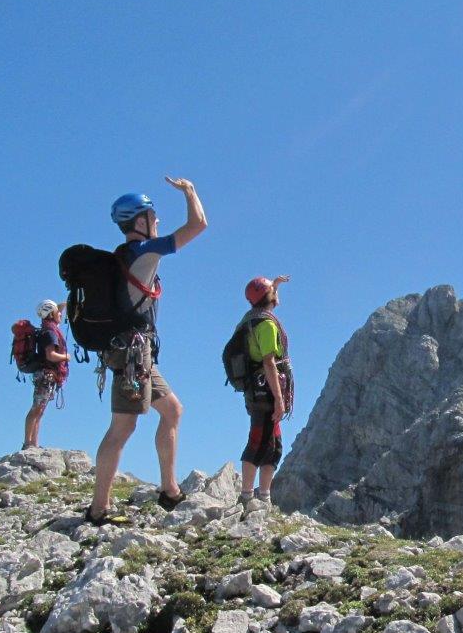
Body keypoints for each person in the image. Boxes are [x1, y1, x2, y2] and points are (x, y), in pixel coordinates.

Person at [86, 176, 208, 525]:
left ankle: (169, 490)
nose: (157, 221)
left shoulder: (122, 256)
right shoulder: (143, 251)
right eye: (153, 215)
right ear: (139, 221)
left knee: (172, 410)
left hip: (135, 354)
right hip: (132, 356)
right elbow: (198, 225)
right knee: (122, 428)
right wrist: (190, 191)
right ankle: (98, 508)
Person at [237, 274, 294, 511]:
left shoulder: (252, 318)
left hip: (256, 389)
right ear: (268, 297)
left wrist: (275, 285)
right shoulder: (267, 324)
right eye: (274, 291)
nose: (277, 294)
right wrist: (279, 400)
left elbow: (265, 298)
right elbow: (269, 362)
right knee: (260, 441)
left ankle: (263, 497)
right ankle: (248, 497)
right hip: (267, 391)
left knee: (273, 442)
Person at [23, 299, 69, 450]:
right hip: (46, 375)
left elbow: (58, 310)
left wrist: (68, 301)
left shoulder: (47, 328)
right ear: (51, 314)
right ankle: (28, 443)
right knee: (37, 409)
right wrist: (66, 357)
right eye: (58, 312)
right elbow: (51, 355)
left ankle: (33, 443)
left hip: (44, 375)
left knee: (39, 409)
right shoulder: (50, 332)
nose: (60, 314)